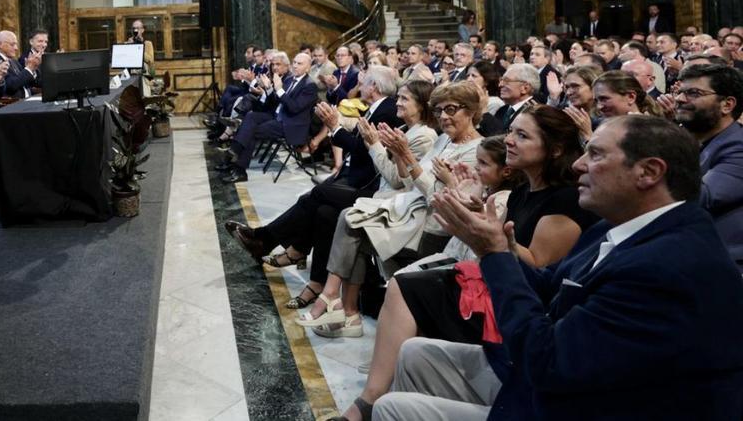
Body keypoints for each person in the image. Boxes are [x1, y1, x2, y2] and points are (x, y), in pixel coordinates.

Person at [384, 115, 743, 420]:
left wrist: (494, 254)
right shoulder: (618, 224)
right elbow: (549, 285)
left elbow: (548, 363)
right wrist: (502, 248)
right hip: (572, 386)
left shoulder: (668, 265)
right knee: (417, 354)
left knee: (393, 409)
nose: (578, 165)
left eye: (596, 154)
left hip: (592, 404)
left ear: (648, 172)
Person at [333, 123, 589, 420]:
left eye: (522, 135)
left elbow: (538, 268)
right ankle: (374, 387)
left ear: (554, 150)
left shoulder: (564, 200)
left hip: (512, 298)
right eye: (512, 132)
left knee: (406, 285)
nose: (509, 139)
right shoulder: (521, 192)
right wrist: (475, 215)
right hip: (492, 275)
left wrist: (489, 238)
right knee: (399, 283)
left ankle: (371, 398)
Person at [297, 83, 485, 338]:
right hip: (411, 213)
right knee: (348, 219)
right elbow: (407, 183)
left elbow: (440, 200)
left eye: (451, 109)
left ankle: (338, 304)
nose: (443, 116)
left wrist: (406, 156)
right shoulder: (442, 140)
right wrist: (400, 155)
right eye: (439, 110)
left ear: (471, 110)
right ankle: (343, 308)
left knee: (348, 218)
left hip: (433, 229)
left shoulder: (476, 150)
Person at [228, 80, 437, 308]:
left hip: (394, 203)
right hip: (381, 192)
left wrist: (374, 143)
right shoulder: (406, 129)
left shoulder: (423, 136)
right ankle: (316, 282)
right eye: (399, 97)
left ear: (422, 104)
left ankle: (276, 243)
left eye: (405, 99)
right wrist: (361, 136)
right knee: (324, 212)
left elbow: (396, 179)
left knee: (319, 193)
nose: (398, 102)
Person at [674, 64, 743, 271]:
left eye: (693, 93)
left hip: (724, 268)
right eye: (680, 92)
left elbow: (702, 196)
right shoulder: (691, 140)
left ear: (727, 105)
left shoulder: (738, 146)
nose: (679, 99)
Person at [218, 52, 319, 183]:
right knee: (251, 117)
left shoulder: (310, 85)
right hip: (278, 116)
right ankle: (233, 156)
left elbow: (294, 108)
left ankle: (238, 167)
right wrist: (270, 89)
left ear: (308, 68)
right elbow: (275, 102)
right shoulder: (290, 80)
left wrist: (279, 89)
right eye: (294, 62)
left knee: (250, 131)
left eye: (299, 64)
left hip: (291, 124)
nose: (295, 66)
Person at [0, 30, 39, 99]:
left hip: (28, 99)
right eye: (12, 44)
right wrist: (29, 68)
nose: (16, 48)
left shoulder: (13, 61)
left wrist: (32, 69)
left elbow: (27, 82)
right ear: (0, 44)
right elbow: (11, 86)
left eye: (16, 44)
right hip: (12, 103)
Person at [493, 64, 538, 133]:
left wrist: (485, 113)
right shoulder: (502, 110)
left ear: (525, 88)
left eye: (506, 81)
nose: (500, 85)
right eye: (501, 80)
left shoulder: (534, 114)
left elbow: (501, 138)